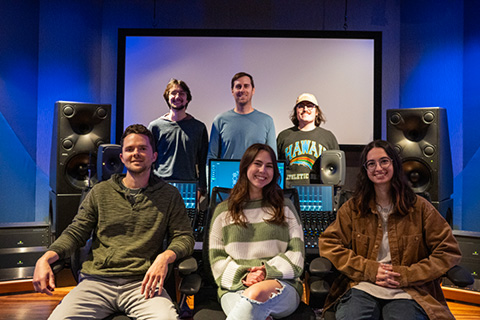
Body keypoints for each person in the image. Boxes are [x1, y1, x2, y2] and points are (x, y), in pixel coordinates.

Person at [33, 124, 195, 320]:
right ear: (122, 157)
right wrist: (45, 259)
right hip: (96, 283)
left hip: (143, 284)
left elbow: (184, 237)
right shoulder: (100, 192)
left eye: (143, 148)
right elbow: (75, 232)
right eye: (130, 149)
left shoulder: (169, 195)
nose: (136, 153)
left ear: (154, 156)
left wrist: (165, 257)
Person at [317, 140, 461, 320]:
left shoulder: (420, 208)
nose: (378, 168)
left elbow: (448, 251)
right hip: (363, 285)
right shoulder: (353, 208)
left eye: (384, 161)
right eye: (371, 163)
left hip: (407, 290)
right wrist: (369, 269)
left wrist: (408, 275)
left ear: (394, 163)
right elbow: (328, 244)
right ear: (366, 170)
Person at [209, 143, 305, 320]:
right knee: (253, 311)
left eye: (269, 166)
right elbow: (217, 259)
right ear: (246, 166)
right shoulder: (223, 211)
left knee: (255, 296)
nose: (263, 170)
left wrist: (265, 272)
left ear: (275, 172)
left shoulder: (285, 207)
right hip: (235, 287)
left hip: (281, 284)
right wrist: (244, 277)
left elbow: (296, 254)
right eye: (257, 163)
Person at [148, 78, 209, 197]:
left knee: (187, 216)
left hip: (189, 186)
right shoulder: (155, 127)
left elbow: (203, 162)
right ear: (167, 97)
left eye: (182, 93)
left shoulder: (199, 128)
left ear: (187, 99)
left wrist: (201, 188)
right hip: (160, 185)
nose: (177, 96)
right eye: (173, 93)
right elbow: (149, 160)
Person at [207, 72, 276, 161]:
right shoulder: (219, 120)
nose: (242, 90)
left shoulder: (267, 121)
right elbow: (212, 156)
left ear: (253, 90)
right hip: (227, 174)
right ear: (232, 91)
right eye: (238, 86)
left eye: (246, 86)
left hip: (256, 175)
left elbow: (272, 159)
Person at [277, 93, 339, 186]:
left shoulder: (328, 137)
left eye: (310, 106)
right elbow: (277, 168)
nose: (305, 109)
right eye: (301, 106)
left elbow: (336, 172)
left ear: (317, 111)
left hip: (319, 192)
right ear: (296, 111)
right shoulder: (284, 136)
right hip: (290, 193)